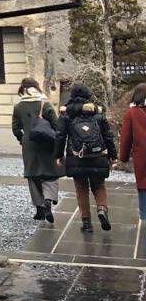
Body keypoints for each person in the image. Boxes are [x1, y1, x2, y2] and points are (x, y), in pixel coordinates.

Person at [57, 82, 117, 234]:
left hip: (77, 157)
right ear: (88, 96)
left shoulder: (66, 114)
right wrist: (112, 156)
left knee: (81, 188)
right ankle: (102, 209)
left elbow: (60, 136)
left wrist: (58, 155)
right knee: (99, 185)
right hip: (97, 156)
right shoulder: (97, 113)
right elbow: (108, 136)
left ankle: (86, 223)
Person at [11, 77, 59, 223]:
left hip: (29, 145)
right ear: (37, 88)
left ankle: (39, 209)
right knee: (50, 174)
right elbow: (56, 125)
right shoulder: (45, 104)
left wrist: (22, 139)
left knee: (33, 175)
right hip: (46, 143)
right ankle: (48, 200)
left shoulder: (19, 107)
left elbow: (15, 128)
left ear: (23, 89)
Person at [119, 82, 146, 221]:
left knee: (144, 186)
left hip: (142, 158)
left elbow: (125, 139)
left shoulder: (131, 114)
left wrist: (123, 157)